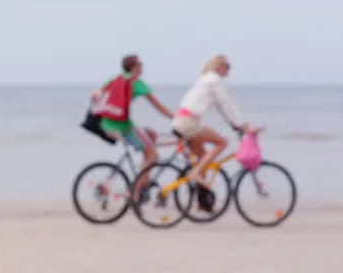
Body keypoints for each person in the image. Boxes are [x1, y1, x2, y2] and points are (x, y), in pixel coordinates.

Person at [91, 54, 175, 199]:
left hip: (106, 124)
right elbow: (157, 106)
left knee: (151, 135)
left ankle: (144, 179)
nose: (142, 67)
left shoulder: (116, 79)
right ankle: (135, 192)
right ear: (134, 67)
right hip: (122, 126)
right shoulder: (136, 82)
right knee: (154, 155)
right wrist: (175, 118)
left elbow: (96, 95)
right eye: (140, 64)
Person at [171, 54, 258, 188]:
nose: (229, 70)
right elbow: (226, 104)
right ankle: (195, 173)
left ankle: (202, 202)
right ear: (220, 66)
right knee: (222, 142)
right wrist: (242, 125)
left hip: (183, 121)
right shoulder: (214, 80)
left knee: (203, 159)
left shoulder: (206, 79)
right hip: (188, 123)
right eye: (228, 67)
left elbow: (221, 108)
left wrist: (237, 125)